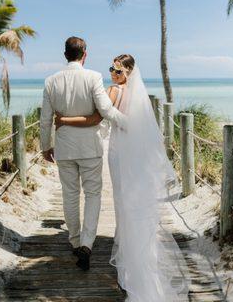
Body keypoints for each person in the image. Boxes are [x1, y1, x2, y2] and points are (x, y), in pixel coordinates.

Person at [55, 54, 190, 301]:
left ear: (126, 73)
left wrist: (63, 118)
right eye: (111, 69)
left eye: (116, 70)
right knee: (134, 205)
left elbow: (97, 115)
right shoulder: (139, 97)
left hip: (119, 153)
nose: (112, 74)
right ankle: (136, 259)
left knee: (123, 205)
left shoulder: (115, 91)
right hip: (135, 154)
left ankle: (130, 263)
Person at [40, 36, 125, 271]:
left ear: (65, 54)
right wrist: (130, 122)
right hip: (90, 148)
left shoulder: (50, 81)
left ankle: (75, 241)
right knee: (93, 195)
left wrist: (45, 146)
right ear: (84, 54)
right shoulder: (93, 77)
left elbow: (45, 119)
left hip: (65, 148)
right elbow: (106, 110)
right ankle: (87, 244)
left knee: (69, 195)